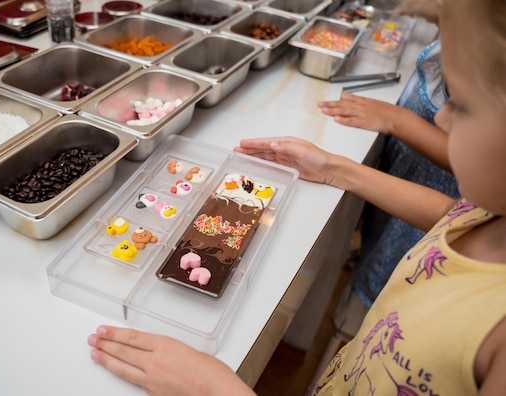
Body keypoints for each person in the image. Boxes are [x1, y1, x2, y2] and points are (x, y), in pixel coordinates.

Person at [87, 0, 506, 394]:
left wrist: (216, 388)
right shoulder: (490, 217)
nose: (441, 117)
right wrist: (334, 168)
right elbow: (455, 217)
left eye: (462, 105)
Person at [318, 0, 460, 323]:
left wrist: (397, 120)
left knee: (374, 310)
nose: (446, 119)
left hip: (412, 235)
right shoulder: (454, 32)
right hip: (398, 203)